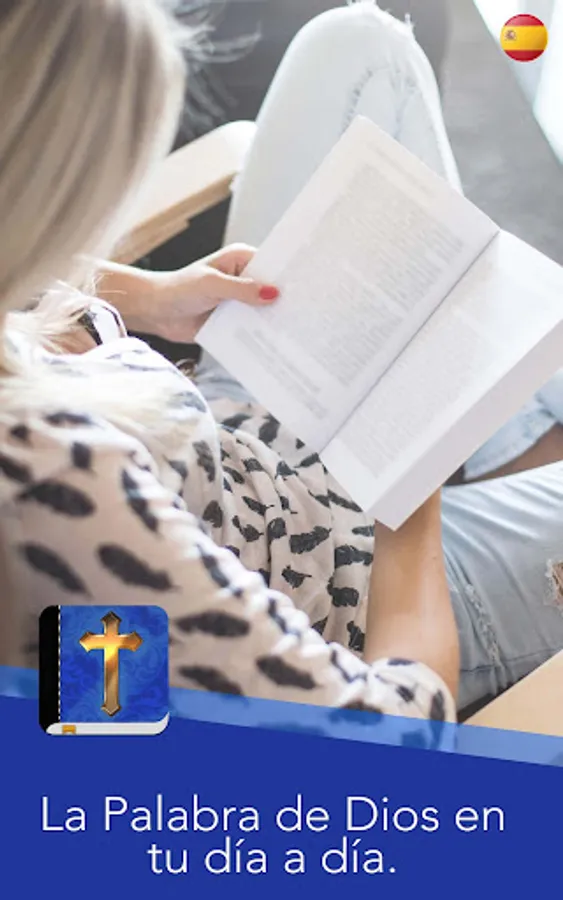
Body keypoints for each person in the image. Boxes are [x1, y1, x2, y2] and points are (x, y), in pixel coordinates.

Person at [0, 1, 562, 730]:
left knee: (360, 47)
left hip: (224, 434)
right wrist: (412, 490)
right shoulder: (56, 501)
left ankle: (505, 447)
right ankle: (495, 454)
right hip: (352, 586)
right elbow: (391, 733)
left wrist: (151, 298)